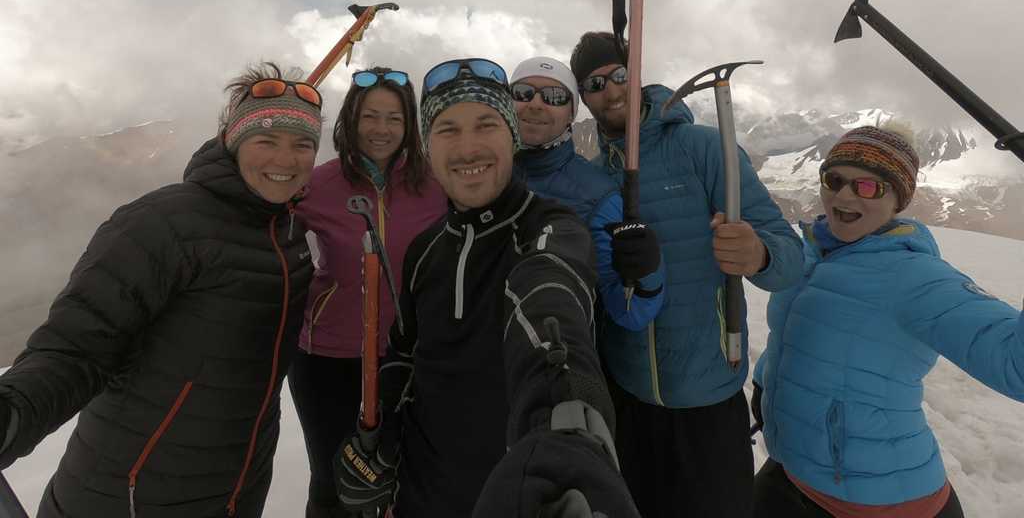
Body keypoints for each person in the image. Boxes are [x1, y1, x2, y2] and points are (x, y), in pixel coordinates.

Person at [0, 62, 323, 518]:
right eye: (266, 141)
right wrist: (13, 412)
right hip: (126, 496)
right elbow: (76, 348)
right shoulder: (161, 223)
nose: (285, 160)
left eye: (302, 145)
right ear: (232, 141)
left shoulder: (291, 234)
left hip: (236, 491)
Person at [333, 57, 640, 518]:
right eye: (447, 129)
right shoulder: (425, 250)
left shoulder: (552, 229)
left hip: (520, 492)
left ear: (512, 137)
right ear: (428, 147)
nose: (468, 148)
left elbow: (549, 308)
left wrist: (564, 431)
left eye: (486, 125)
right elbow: (404, 353)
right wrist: (379, 438)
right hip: (421, 495)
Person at [570, 31, 804, 518]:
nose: (610, 90)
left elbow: (789, 257)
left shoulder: (703, 149)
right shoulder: (592, 177)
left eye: (619, 74)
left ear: (638, 75)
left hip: (708, 401)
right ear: (583, 98)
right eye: (594, 84)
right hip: (627, 399)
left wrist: (759, 254)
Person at [752, 125, 1024, 517]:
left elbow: (1017, 369)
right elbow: (799, 336)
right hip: (793, 471)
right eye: (834, 180)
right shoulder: (807, 250)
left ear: (898, 199)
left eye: (868, 187)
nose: (844, 196)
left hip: (880, 502)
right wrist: (766, 382)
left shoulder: (915, 277)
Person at [288, 66, 446, 518]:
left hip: (408, 355)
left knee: (403, 478)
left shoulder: (435, 185)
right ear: (351, 119)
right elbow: (261, 223)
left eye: (394, 118)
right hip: (327, 356)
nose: (381, 129)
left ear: (410, 124)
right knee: (333, 482)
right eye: (370, 117)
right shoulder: (316, 184)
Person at [510, 56, 664, 332]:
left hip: (552, 347)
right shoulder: (481, 174)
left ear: (571, 114)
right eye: (523, 93)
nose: (535, 104)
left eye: (554, 96)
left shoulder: (596, 197)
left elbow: (630, 313)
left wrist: (647, 274)